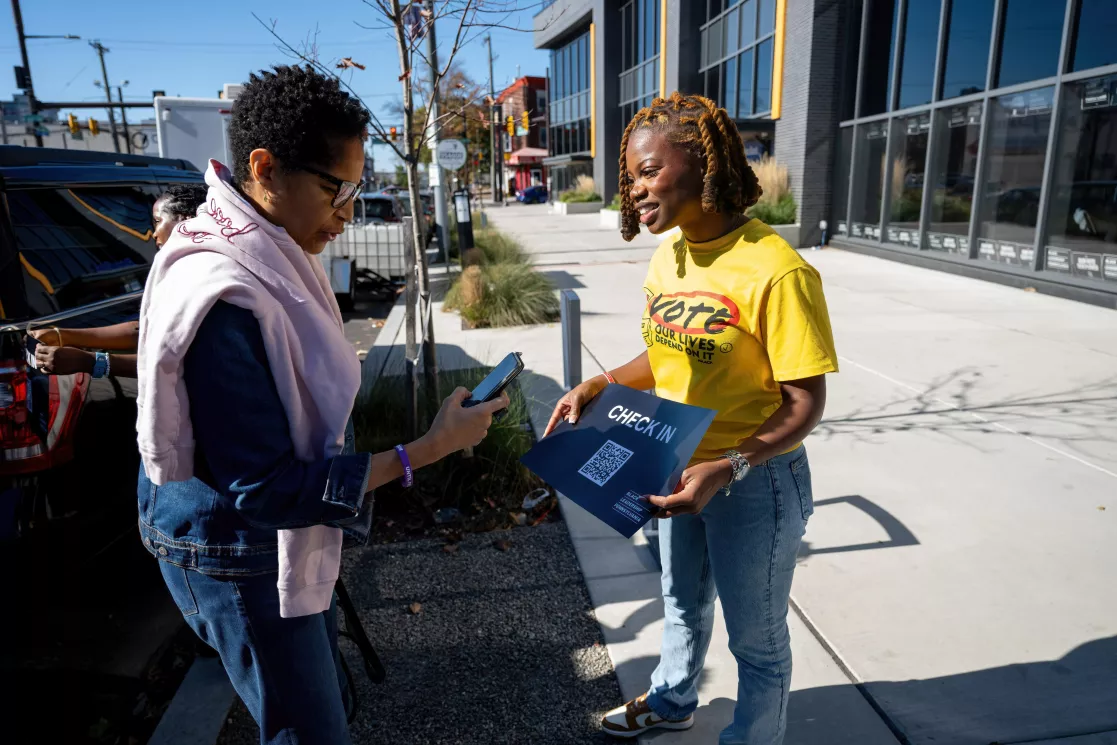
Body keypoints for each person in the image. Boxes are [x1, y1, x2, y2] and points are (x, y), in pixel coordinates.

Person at [135, 65, 508, 745]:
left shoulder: (251, 243)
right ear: (265, 168)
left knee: (318, 706)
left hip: (247, 528)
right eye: (336, 189)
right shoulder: (226, 291)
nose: (347, 213)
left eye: (356, 189)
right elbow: (268, 489)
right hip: (237, 545)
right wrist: (428, 448)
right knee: (311, 731)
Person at [546, 92, 838, 744]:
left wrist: (728, 464)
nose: (635, 188)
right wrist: (600, 380)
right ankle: (674, 699)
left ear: (701, 163)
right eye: (630, 176)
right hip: (676, 465)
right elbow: (663, 349)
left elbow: (805, 403)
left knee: (755, 637)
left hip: (752, 480)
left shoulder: (776, 270)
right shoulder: (668, 256)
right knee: (679, 603)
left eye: (647, 171)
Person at [29, 183, 208, 378]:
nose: (153, 233)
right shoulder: (179, 271)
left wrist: (89, 361)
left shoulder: (204, 279)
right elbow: (143, 329)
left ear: (185, 221)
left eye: (157, 221)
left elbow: (181, 363)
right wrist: (61, 334)